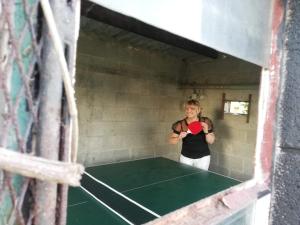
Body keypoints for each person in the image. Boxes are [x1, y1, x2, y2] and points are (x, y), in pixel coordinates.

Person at [169, 99, 215, 170]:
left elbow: (211, 141)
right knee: (186, 179)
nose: (189, 111)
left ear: (198, 110)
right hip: (186, 157)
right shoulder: (180, 124)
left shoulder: (205, 121)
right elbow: (171, 141)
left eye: (192, 108)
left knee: (201, 179)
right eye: (187, 108)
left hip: (203, 158)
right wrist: (179, 137)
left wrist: (206, 131)